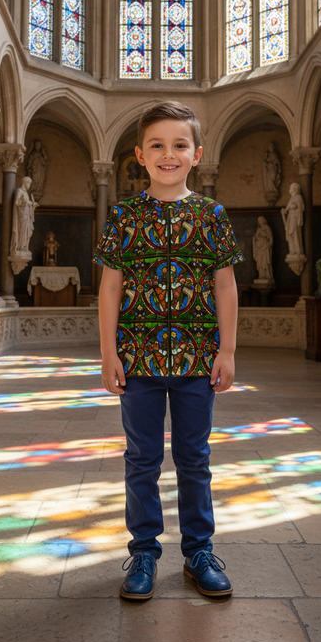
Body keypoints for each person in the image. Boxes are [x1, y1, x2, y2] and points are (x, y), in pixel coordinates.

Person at [94, 101, 244, 601]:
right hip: (136, 357)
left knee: (194, 458)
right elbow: (110, 287)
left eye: (179, 145)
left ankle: (199, 551)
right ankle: (142, 553)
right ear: (139, 155)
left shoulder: (211, 215)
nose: (168, 154)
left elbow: (225, 286)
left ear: (196, 154)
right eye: (157, 145)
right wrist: (108, 353)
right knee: (141, 458)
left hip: (198, 359)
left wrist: (226, 351)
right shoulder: (124, 215)